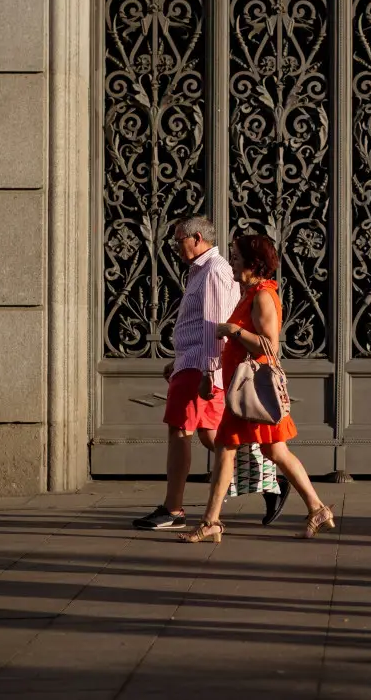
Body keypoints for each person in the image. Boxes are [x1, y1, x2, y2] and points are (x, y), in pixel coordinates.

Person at [132, 217, 290, 532]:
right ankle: (271, 482)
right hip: (192, 363)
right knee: (211, 436)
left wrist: (208, 371)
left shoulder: (215, 271)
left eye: (179, 239)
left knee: (180, 431)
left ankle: (173, 509)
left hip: (201, 367)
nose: (175, 246)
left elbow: (214, 327)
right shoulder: (202, 271)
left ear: (197, 238)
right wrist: (178, 361)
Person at [177, 233, 334, 543]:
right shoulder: (250, 294)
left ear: (253, 263)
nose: (232, 262)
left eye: (236, 257)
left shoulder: (263, 296)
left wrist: (233, 331)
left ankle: (211, 521)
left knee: (230, 449)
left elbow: (270, 347)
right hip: (245, 391)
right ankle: (317, 509)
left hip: (253, 393)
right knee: (271, 450)